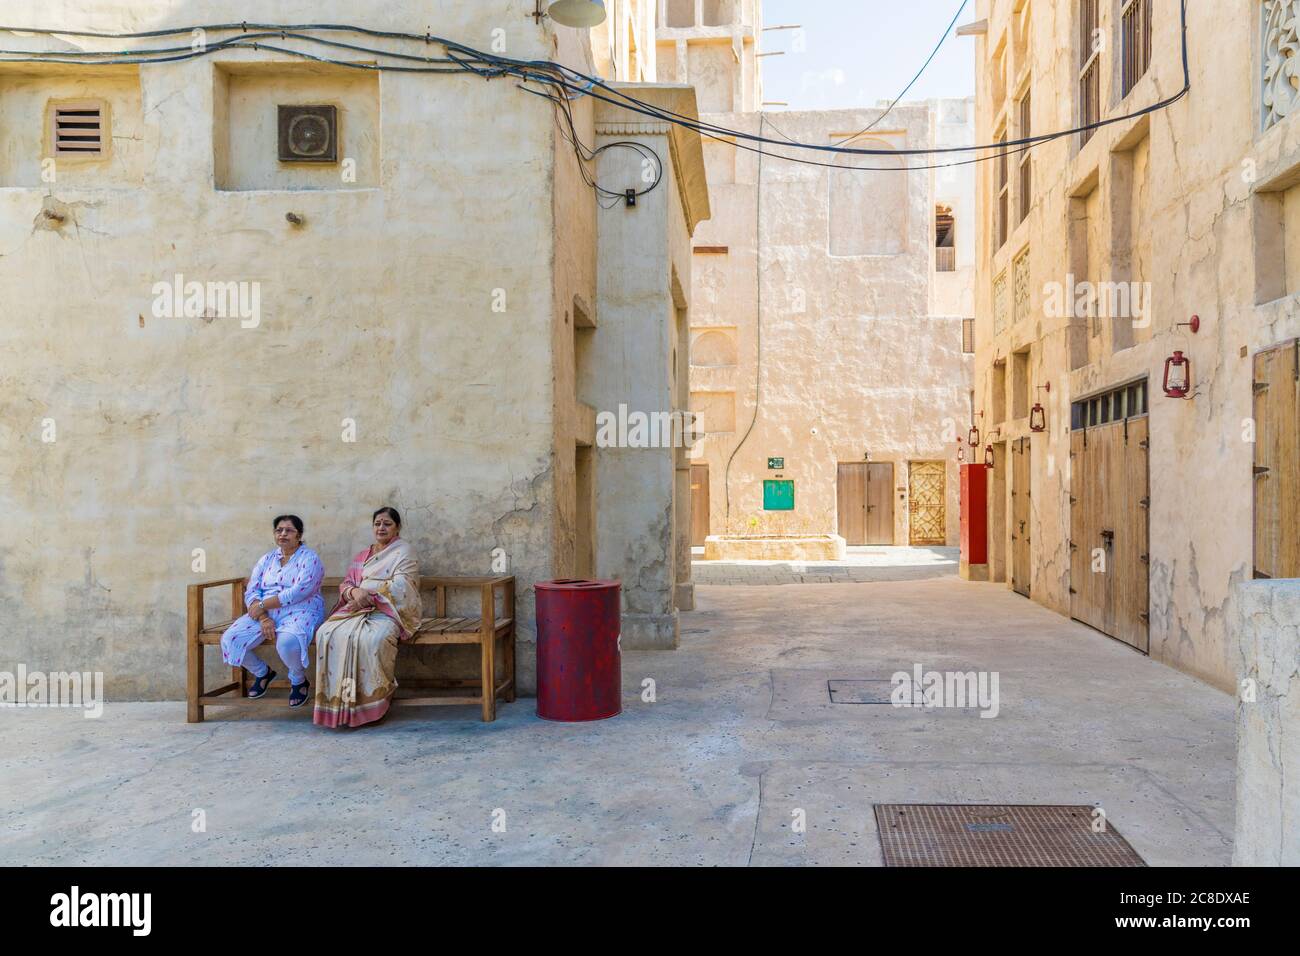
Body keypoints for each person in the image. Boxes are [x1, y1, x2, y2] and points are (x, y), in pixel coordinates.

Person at [313, 507, 422, 728]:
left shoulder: (404, 551)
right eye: (377, 524)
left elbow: (403, 587)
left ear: (397, 527)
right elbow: (347, 583)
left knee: (372, 640)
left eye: (387, 524)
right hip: (356, 609)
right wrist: (354, 593)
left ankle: (372, 703)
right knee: (326, 633)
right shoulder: (363, 555)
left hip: (388, 611)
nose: (381, 528)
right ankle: (341, 705)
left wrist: (369, 594)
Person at [220, 515, 326, 707]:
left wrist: (262, 606)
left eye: (289, 530)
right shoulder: (267, 559)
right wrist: (262, 617)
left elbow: (299, 591)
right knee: (230, 638)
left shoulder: (310, 558)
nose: (283, 534)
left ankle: (298, 680)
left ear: (299, 534)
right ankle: (262, 672)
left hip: (301, 609)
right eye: (279, 530)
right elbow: (252, 590)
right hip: (265, 613)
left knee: (287, 643)